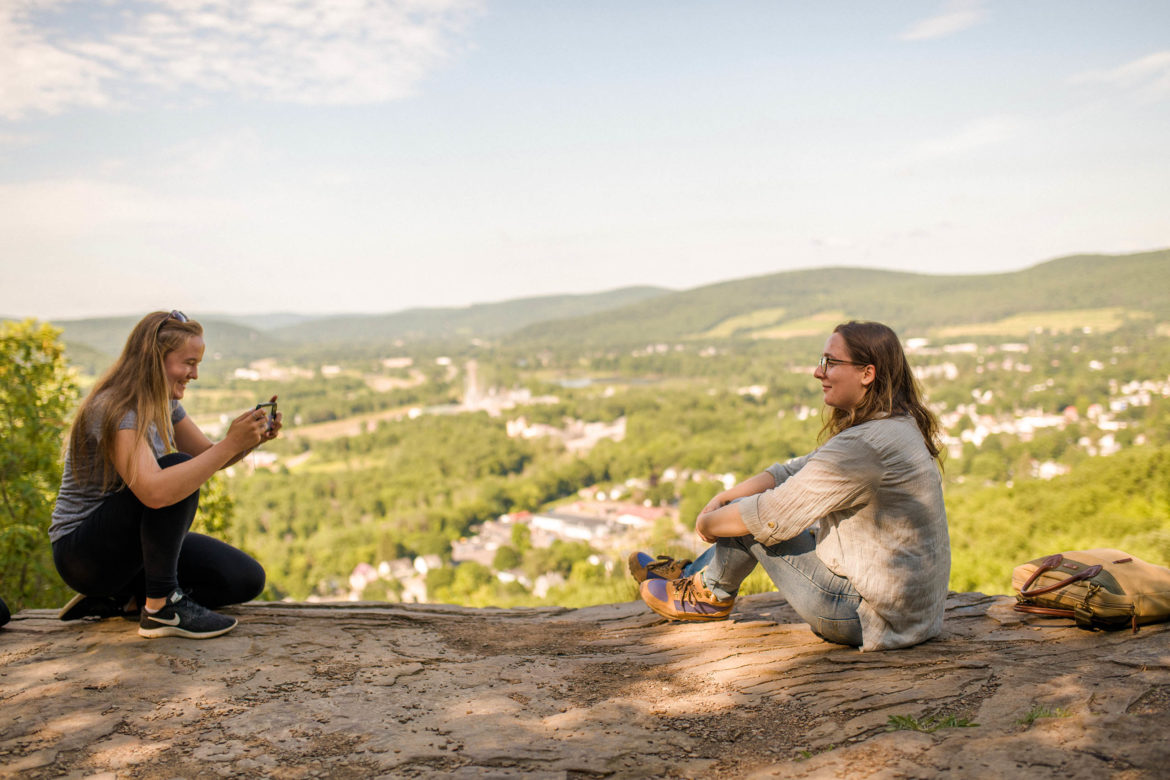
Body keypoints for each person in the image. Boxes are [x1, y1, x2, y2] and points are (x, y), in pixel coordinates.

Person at [639, 321, 949, 652]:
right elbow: (794, 470)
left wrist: (707, 522)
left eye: (831, 362)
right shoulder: (895, 424)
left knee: (753, 517)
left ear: (867, 374)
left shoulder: (867, 443)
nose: (818, 372)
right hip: (909, 614)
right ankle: (692, 574)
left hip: (867, 616)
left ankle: (709, 593)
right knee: (746, 508)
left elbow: (770, 515)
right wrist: (726, 496)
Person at [51, 310, 277, 639]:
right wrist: (229, 445)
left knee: (244, 578)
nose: (194, 374)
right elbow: (154, 491)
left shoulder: (164, 403)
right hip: (83, 554)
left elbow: (205, 457)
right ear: (155, 359)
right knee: (172, 469)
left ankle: (126, 598)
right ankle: (160, 608)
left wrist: (247, 442)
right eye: (188, 363)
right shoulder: (116, 407)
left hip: (132, 549)